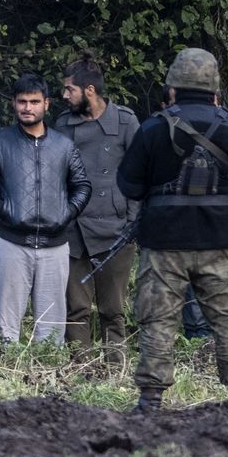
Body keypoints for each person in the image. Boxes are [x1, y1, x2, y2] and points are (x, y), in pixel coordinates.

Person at [117, 48, 228, 410]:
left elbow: (130, 186)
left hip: (164, 241)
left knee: (158, 320)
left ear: (172, 90)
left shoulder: (152, 128)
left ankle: (151, 400)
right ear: (217, 91)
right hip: (220, 240)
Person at [0, 73, 91, 347]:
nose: (27, 107)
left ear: (46, 104)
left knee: (51, 330)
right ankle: (3, 380)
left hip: (55, 246)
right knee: (6, 327)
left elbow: (82, 186)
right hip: (11, 243)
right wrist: (6, 210)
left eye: (34, 101)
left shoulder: (63, 145)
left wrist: (66, 213)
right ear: (13, 104)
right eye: (22, 101)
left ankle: (48, 382)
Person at [55, 58, 140, 363]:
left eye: (69, 89)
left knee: (113, 310)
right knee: (76, 308)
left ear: (89, 90)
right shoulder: (64, 124)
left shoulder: (126, 122)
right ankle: (80, 369)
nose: (65, 96)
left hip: (115, 229)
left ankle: (115, 370)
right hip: (75, 231)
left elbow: (138, 174)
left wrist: (132, 221)